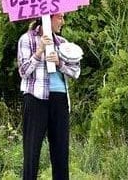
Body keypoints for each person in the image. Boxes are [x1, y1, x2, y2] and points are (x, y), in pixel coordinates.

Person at [17, 13, 81, 180]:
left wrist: (60, 63)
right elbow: (23, 72)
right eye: (60, 17)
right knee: (32, 150)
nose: (63, 22)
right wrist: (39, 52)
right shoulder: (27, 39)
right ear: (48, 17)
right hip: (36, 97)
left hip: (59, 99)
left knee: (60, 151)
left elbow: (76, 72)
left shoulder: (63, 43)